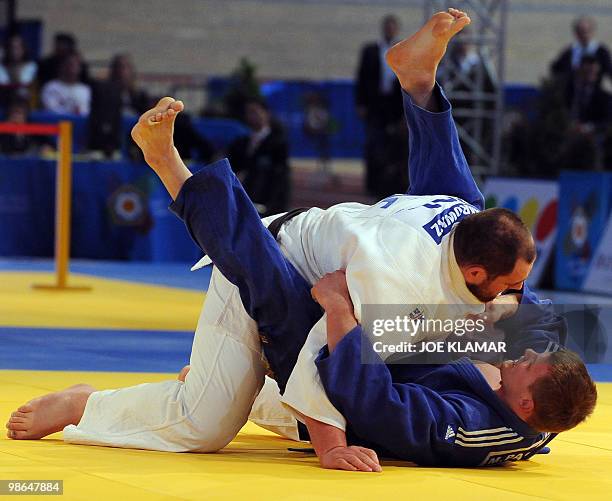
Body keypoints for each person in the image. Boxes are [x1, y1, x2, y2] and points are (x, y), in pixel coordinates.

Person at [6, 9, 596, 470]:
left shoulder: (475, 412)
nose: (522, 339)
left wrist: (333, 431)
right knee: (209, 421)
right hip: (294, 259)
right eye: (512, 286)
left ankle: (418, 83)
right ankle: (176, 171)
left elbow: (370, 396)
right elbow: (330, 345)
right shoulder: (420, 273)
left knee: (219, 415)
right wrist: (332, 436)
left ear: (525, 407)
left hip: (332, 284)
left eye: (528, 365)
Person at [356, 14, 407, 198]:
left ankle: (395, 185)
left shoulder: (403, 50)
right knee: (374, 145)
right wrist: (360, 103)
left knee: (396, 146)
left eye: (393, 27)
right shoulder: (370, 50)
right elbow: (361, 77)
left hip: (395, 106)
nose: (389, 30)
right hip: (375, 104)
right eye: (387, 27)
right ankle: (373, 185)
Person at [226, 98, 290, 216]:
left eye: (255, 111)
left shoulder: (278, 143)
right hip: (243, 203)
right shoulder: (240, 143)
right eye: (248, 112)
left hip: (267, 206)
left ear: (266, 113)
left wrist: (272, 206)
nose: (251, 116)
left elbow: (280, 177)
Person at [550, 16, 611, 86]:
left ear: (593, 32)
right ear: (575, 33)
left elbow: (609, 71)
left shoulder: (601, 51)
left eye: (587, 31)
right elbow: (555, 69)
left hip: (594, 91)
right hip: (572, 91)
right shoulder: (569, 51)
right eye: (580, 32)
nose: (584, 35)